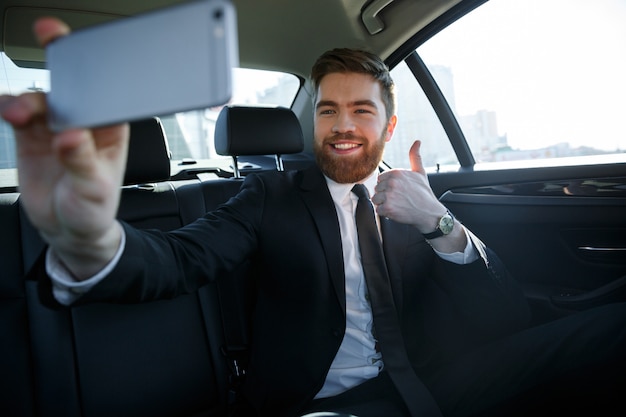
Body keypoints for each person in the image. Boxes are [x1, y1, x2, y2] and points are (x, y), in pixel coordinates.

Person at [2, 17, 625, 417]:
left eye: (361, 109)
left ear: (389, 124)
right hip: (322, 401)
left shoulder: (414, 196)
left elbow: (504, 314)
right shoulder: (269, 198)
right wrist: (91, 237)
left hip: (435, 381)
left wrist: (439, 223)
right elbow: (180, 258)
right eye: (328, 110)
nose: (344, 125)